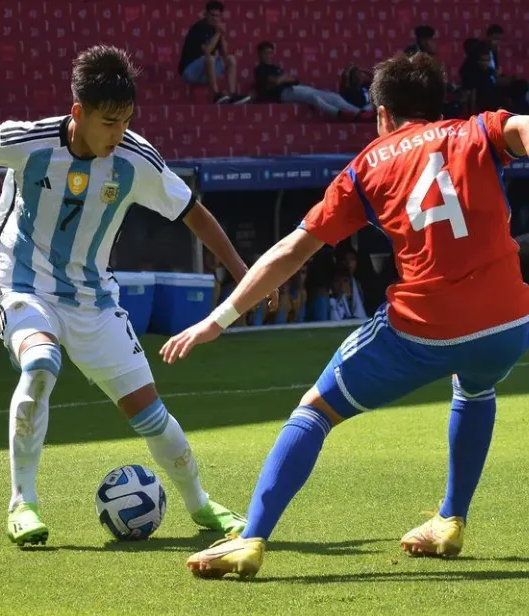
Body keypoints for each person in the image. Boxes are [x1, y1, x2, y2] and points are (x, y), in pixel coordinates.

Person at [160, 52, 529, 579]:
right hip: (509, 325)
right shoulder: (475, 130)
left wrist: (216, 319)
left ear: (382, 114)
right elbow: (521, 126)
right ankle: (450, 520)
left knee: (315, 410)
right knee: (475, 385)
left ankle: (250, 537)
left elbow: (291, 251)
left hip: (425, 328)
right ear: (437, 104)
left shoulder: (368, 166)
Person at [0, 45, 279, 546]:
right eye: (109, 122)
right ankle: (23, 503)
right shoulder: (32, 140)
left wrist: (242, 272)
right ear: (78, 112)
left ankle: (201, 505)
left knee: (151, 415)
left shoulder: (134, 158)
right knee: (40, 364)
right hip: (22, 284)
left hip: (93, 298)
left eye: (127, 120)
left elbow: (191, 209)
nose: (118, 133)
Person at [254, 42, 372, 121]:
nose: (268, 55)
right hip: (283, 93)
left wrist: (282, 79)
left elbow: (293, 79)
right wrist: (283, 78)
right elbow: (274, 82)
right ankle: (338, 113)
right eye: (266, 52)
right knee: (312, 98)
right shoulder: (260, 69)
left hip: (295, 88)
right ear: (260, 54)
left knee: (331, 96)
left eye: (270, 52)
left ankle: (359, 113)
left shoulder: (276, 68)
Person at [178, 1, 249, 104]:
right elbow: (207, 51)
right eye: (212, 15)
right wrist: (218, 33)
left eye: (217, 16)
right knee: (210, 58)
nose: (214, 18)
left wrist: (222, 36)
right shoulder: (198, 28)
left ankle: (232, 95)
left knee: (231, 59)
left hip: (205, 72)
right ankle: (216, 94)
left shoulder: (216, 30)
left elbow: (224, 54)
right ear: (205, 14)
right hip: (190, 71)